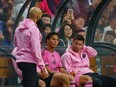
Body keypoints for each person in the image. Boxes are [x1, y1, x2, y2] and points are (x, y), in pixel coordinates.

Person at [13, 7, 48, 87]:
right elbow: (35, 49)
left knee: (29, 83)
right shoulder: (34, 29)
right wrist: (42, 66)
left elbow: (15, 43)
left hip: (20, 61)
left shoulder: (18, 28)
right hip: (29, 62)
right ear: (38, 16)